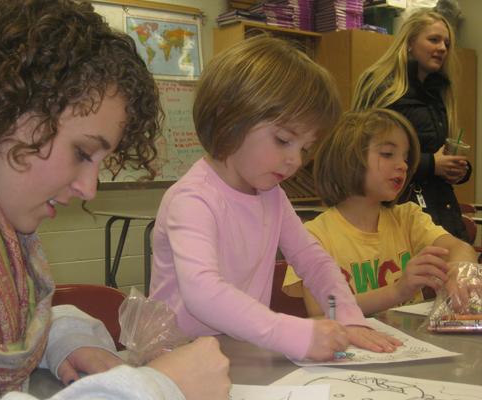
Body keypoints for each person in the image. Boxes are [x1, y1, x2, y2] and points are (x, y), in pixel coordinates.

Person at [0, 0, 231, 398]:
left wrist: (62, 339)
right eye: (82, 153)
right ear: (2, 105)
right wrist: (160, 389)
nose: (88, 188)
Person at [149, 35, 402, 363]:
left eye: (305, 148)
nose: (296, 161)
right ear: (230, 118)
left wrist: (348, 317)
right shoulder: (193, 199)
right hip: (177, 359)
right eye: (283, 140)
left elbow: (314, 261)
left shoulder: (271, 196)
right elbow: (202, 293)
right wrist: (290, 332)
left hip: (237, 353)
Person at [282, 109, 478, 317]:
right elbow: (322, 309)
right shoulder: (315, 235)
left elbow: (459, 248)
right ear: (348, 159)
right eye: (387, 154)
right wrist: (396, 291)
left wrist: (461, 272)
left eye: (405, 157)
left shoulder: (409, 217)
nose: (403, 165)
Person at [351, 8, 471, 242]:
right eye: (434, 39)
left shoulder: (440, 95)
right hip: (396, 212)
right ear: (409, 43)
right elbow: (362, 156)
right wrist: (430, 164)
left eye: (446, 43)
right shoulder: (383, 89)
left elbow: (436, 152)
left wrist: (459, 170)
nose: (443, 48)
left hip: (440, 211)